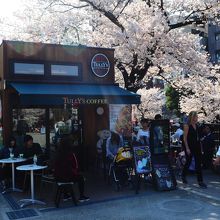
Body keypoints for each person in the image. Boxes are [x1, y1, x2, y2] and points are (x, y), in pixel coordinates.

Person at [54, 135, 89, 202]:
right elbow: (75, 167)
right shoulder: (71, 154)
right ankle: (81, 196)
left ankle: (65, 195)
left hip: (57, 177)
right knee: (81, 178)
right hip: (67, 177)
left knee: (65, 174)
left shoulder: (58, 152)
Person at [182, 111, 207, 188]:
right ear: (192, 117)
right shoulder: (187, 126)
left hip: (197, 146)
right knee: (188, 162)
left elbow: (198, 137)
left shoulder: (197, 125)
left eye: (197, 117)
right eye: (195, 117)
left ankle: (200, 181)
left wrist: (201, 147)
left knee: (198, 163)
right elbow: (184, 138)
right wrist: (187, 148)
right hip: (189, 146)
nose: (196, 118)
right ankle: (183, 175)